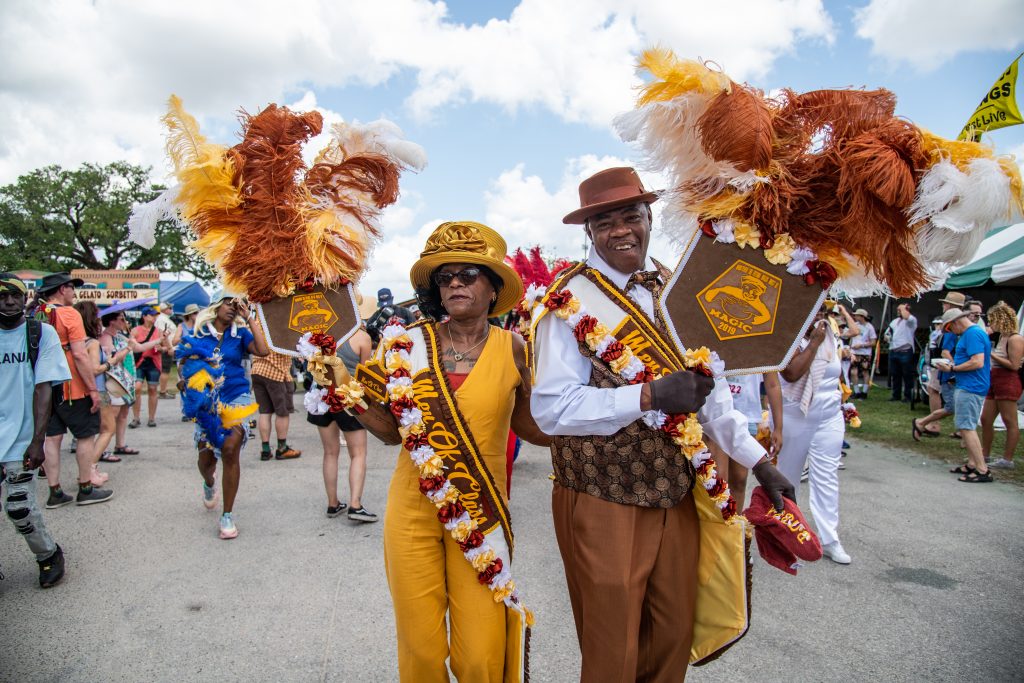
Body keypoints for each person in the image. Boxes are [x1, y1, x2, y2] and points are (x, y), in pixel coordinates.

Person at [530, 168, 794, 681]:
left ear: (650, 218)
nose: (621, 230)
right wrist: (646, 394)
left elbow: (709, 395)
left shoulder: (680, 289)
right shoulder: (569, 300)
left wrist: (758, 462)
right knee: (613, 645)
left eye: (632, 215)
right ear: (589, 233)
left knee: (672, 635)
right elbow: (551, 410)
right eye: (605, 222)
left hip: (676, 490)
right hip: (603, 491)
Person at [355, 221, 549, 682]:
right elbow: (388, 433)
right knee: (421, 648)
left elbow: (532, 425)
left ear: (493, 286)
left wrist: (602, 424)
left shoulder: (517, 349)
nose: (456, 283)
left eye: (468, 274)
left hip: (479, 509)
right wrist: (346, 394)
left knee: (480, 654)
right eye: (445, 277)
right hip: (411, 512)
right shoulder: (402, 345)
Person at [177, 294, 270, 539]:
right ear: (217, 306)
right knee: (206, 461)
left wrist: (249, 317)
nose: (232, 308)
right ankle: (209, 483)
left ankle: (227, 515)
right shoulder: (199, 335)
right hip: (207, 403)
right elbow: (183, 363)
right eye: (228, 303)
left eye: (237, 305)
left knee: (230, 449)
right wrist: (184, 380)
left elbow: (263, 351)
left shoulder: (240, 335)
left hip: (236, 398)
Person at [0, 273, 69, 587]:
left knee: (20, 509)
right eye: (2, 296)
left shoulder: (41, 334)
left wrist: (37, 441)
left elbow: (44, 389)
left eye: (14, 295)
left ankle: (48, 555)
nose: (10, 301)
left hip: (22, 439)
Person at [776, 305, 853, 564]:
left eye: (823, 311)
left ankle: (830, 539)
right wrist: (815, 343)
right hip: (796, 413)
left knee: (827, 477)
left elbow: (837, 374)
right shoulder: (788, 332)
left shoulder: (830, 333)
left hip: (830, 414)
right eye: (814, 310)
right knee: (788, 477)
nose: (820, 316)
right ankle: (785, 538)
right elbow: (791, 372)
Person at [37, 272, 113, 507]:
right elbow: (79, 355)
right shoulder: (69, 314)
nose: (73, 292)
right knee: (85, 436)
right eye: (72, 288)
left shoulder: (38, 314)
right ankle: (85, 488)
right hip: (72, 387)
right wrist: (92, 389)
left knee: (52, 439)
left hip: (45, 387)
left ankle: (55, 491)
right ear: (62, 289)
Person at [308, 325, 377, 521]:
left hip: (320, 397)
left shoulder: (318, 335)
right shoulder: (362, 337)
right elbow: (366, 374)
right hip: (349, 398)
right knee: (358, 453)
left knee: (330, 452)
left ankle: (333, 503)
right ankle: (355, 505)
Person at [934, 308, 992, 482]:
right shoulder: (972, 333)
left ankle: (982, 469)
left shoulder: (972, 334)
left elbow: (977, 361)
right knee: (967, 425)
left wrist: (952, 368)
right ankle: (973, 463)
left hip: (971, 386)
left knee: (966, 427)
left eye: (950, 328)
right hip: (969, 384)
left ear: (956, 322)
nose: (950, 332)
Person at [95, 308, 155, 460]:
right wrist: (127, 347)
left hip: (125, 381)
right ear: (112, 321)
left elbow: (140, 347)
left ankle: (120, 445)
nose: (125, 322)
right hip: (113, 382)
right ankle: (101, 450)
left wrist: (160, 340)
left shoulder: (120, 336)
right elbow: (111, 359)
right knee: (110, 418)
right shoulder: (105, 338)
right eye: (121, 319)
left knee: (123, 414)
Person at [73, 301, 122, 485]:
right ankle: (90, 469)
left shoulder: (76, 342)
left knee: (88, 436)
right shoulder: (92, 342)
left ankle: (87, 471)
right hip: (98, 390)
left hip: (82, 391)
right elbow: (94, 369)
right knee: (108, 429)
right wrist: (111, 361)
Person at [724, 371, 784, 506]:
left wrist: (778, 428)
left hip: (746, 415)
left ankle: (735, 524)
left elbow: (773, 384)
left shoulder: (761, 350)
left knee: (739, 478)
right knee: (716, 477)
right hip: (713, 412)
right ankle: (714, 525)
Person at [980, 302, 1022, 469]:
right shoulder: (1002, 337)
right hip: (995, 379)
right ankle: (985, 454)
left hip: (1008, 380)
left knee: (1009, 420)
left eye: (993, 321)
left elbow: (1014, 365)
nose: (991, 324)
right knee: (985, 418)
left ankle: (1007, 459)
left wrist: (991, 355)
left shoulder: (1015, 338)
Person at [250, 331, 301, 461]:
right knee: (282, 412)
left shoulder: (258, 321)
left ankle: (265, 450)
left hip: (257, 369)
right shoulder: (278, 323)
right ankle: (282, 448)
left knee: (264, 412)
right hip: (276, 371)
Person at [130, 307, 170, 428]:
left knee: (152, 389)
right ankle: (136, 418)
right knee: (136, 388)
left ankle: (151, 418)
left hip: (154, 362)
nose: (154, 317)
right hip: (139, 363)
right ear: (144, 316)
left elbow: (167, 348)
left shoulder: (159, 331)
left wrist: (160, 349)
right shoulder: (135, 331)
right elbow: (130, 347)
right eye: (151, 315)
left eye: (155, 315)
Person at [885, 302, 918, 402]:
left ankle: (908, 396)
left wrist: (903, 308)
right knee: (895, 374)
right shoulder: (894, 321)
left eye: (900, 310)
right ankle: (896, 395)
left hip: (905, 351)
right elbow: (888, 332)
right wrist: (886, 337)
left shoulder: (911, 320)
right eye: (898, 310)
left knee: (907, 374)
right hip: (893, 350)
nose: (899, 311)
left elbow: (907, 317)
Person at [848, 308, 876, 399]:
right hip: (854, 352)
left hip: (865, 353)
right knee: (853, 372)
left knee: (865, 371)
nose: (855, 316)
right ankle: (856, 392)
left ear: (862, 317)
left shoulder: (869, 327)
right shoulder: (854, 325)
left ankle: (864, 392)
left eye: (856, 315)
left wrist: (862, 345)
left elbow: (873, 342)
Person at [156, 302, 177, 398]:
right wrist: (168, 348)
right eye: (170, 308)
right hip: (166, 348)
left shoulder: (164, 319)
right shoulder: (161, 319)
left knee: (166, 370)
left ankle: (163, 390)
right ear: (165, 309)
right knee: (165, 370)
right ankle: (162, 392)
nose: (172, 309)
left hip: (169, 346)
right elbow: (162, 335)